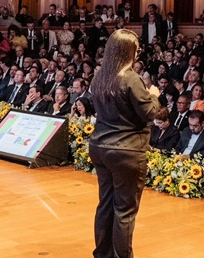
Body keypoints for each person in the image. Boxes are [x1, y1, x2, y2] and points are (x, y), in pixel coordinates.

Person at [89, 29, 160, 258]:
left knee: (105, 204)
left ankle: (102, 254)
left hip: (100, 147)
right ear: (130, 52)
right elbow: (149, 113)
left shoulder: (99, 76)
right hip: (126, 151)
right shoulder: (131, 78)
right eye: (137, 49)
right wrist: (154, 95)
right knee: (125, 210)